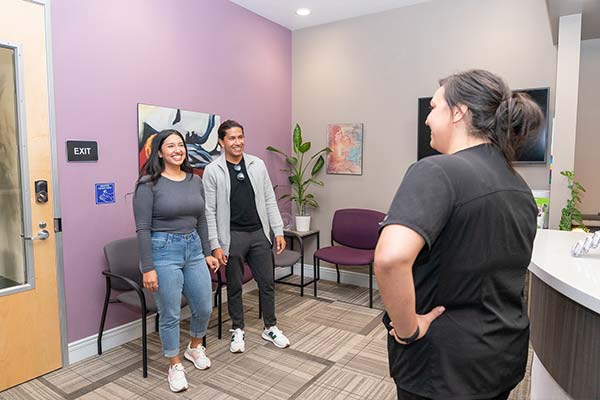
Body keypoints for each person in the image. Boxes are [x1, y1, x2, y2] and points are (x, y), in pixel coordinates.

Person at [374, 69, 543, 400]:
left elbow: (390, 258)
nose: (427, 120)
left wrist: (408, 331)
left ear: (459, 111)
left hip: (444, 363)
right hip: (501, 354)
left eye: (434, 107)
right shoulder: (518, 186)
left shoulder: (435, 170)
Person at [133, 129, 220, 393]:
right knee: (170, 312)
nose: (177, 150)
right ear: (159, 152)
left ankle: (194, 347)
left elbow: (202, 219)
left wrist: (207, 251)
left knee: (204, 305)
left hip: (193, 248)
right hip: (163, 251)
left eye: (180, 145)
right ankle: (174, 363)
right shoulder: (148, 184)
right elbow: (143, 229)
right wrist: (148, 268)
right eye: (170, 146)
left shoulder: (195, 180)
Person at [203, 119, 290, 353]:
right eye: (231, 138)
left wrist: (278, 230)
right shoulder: (213, 171)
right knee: (234, 286)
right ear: (221, 142)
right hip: (231, 237)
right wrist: (215, 245)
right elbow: (208, 211)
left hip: (258, 234)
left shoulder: (257, 164)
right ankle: (237, 329)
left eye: (240, 137)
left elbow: (269, 199)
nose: (237, 142)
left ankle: (270, 326)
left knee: (267, 283)